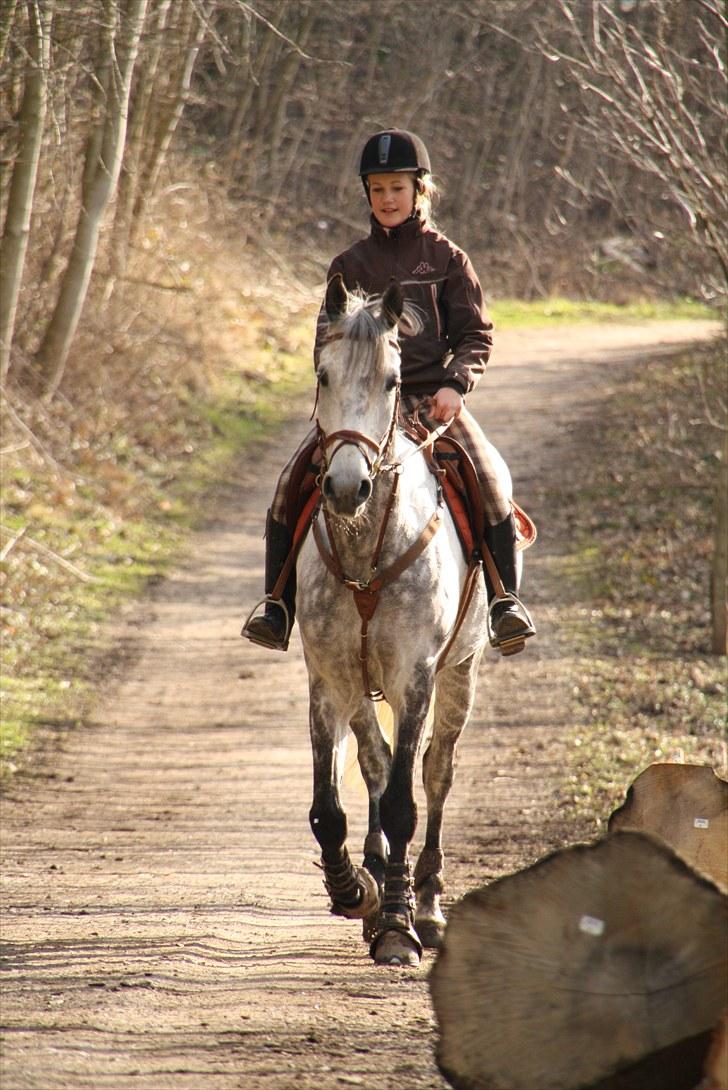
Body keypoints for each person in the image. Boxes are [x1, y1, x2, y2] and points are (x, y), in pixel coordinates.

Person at [242, 129, 535, 655]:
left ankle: (503, 601)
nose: (387, 199)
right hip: (361, 405)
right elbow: (324, 343)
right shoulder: (348, 266)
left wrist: (455, 385)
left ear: (420, 190)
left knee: (490, 478)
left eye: (397, 187)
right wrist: (344, 391)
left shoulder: (447, 258)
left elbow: (476, 335)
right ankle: (277, 605)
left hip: (430, 402)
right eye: (377, 189)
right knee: (290, 484)